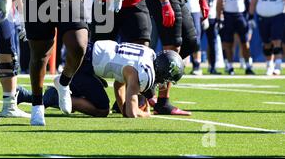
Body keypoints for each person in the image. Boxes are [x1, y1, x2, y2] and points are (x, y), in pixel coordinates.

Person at [28, 41, 185, 118]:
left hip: (90, 55)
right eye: (167, 79)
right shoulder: (144, 72)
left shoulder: (148, 54)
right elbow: (132, 113)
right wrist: (143, 114)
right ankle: (54, 97)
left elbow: (119, 84)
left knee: (92, 94)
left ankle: (24, 95)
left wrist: (124, 108)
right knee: (102, 109)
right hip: (85, 64)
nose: (164, 83)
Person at [216, 0, 255, 75]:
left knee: (245, 42)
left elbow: (248, 0)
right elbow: (220, 1)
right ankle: (229, 66)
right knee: (228, 43)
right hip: (228, 15)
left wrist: (249, 16)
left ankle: (248, 65)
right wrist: (219, 18)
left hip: (241, 15)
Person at [249, 0, 285, 75]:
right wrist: (250, 16)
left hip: (278, 15)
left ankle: (278, 66)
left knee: (277, 41)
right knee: (266, 43)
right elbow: (253, 1)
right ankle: (269, 66)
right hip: (262, 16)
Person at [202, 0, 222, 75]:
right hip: (201, 17)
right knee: (196, 42)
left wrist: (220, 17)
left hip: (213, 17)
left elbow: (221, 3)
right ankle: (196, 66)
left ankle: (212, 66)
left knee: (213, 43)